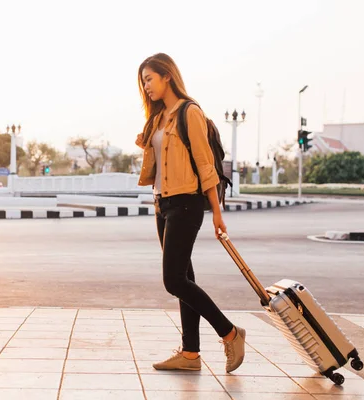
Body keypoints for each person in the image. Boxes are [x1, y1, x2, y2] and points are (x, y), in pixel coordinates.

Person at [135, 53, 246, 373]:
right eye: (143, 82)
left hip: (186, 203)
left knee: (173, 280)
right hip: (163, 204)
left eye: (150, 79)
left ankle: (230, 332)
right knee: (184, 277)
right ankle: (190, 353)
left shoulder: (189, 112)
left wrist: (217, 211)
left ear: (167, 76)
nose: (146, 86)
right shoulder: (159, 117)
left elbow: (204, 164)